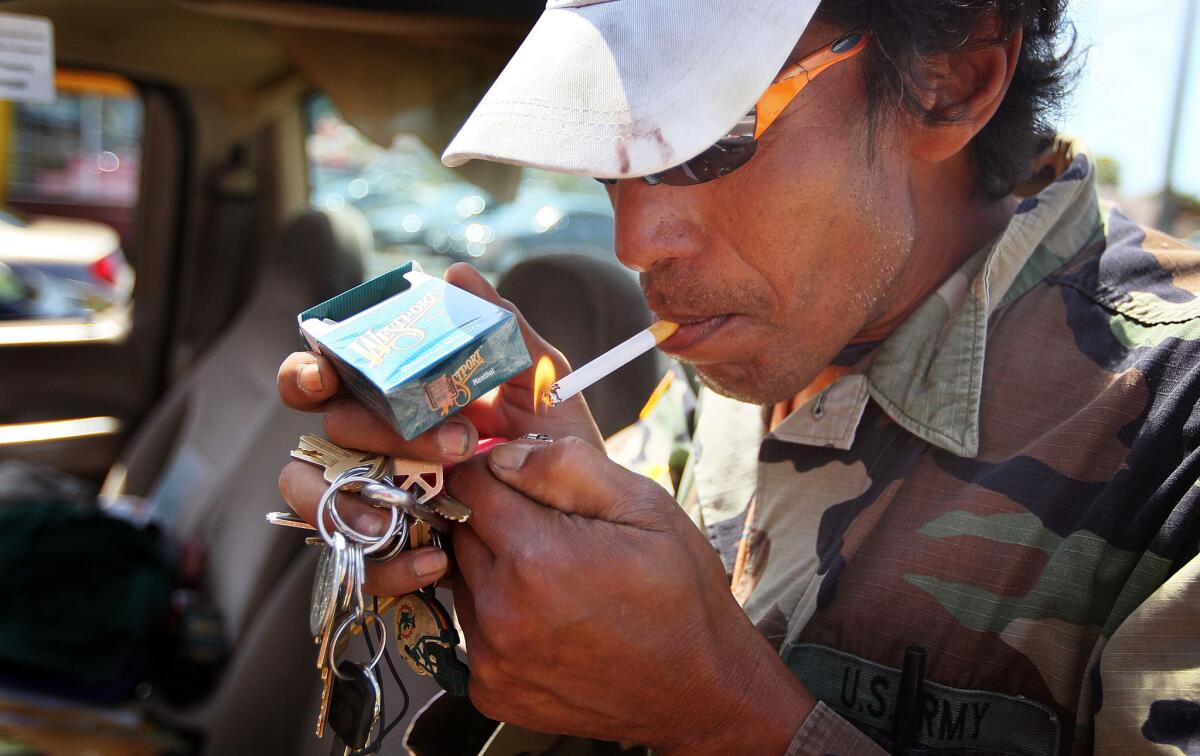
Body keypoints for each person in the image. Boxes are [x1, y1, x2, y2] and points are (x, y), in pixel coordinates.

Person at [277, 0, 1200, 752]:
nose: (636, 242)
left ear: (949, 81)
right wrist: (484, 528)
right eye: (613, 158)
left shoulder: (1173, 442)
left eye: (709, 141)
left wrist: (720, 717)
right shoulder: (733, 366)